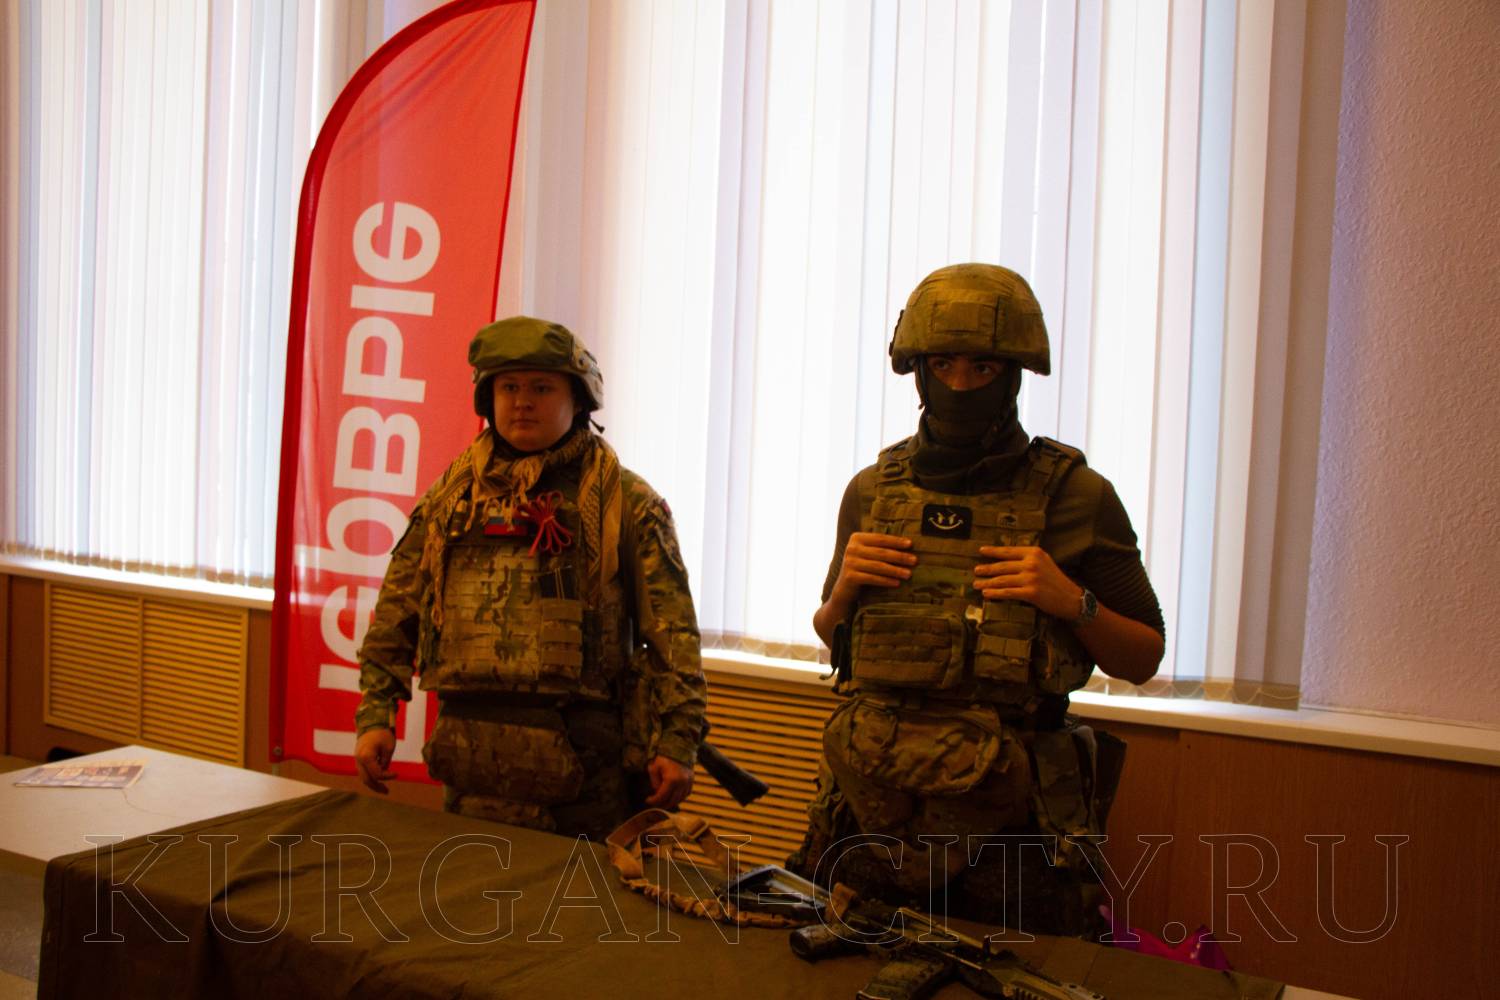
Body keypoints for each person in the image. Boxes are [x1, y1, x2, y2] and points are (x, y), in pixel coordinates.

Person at [789, 263, 1165, 936]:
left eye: (983, 367)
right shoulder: (873, 490)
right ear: (918, 370)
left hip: (1012, 833)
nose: (960, 385)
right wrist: (843, 592)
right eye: (944, 364)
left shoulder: (1079, 496)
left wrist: (1070, 601)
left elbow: (1143, 657)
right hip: (874, 810)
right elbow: (833, 634)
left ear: (1014, 373)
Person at [352, 317, 707, 841]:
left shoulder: (625, 504)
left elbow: (673, 638)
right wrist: (376, 713)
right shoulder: (450, 500)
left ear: (578, 399)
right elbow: (396, 613)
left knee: (577, 893)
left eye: (542, 388)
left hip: (586, 774)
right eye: (509, 388)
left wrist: (678, 741)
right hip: (470, 762)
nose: (522, 402)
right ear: (488, 398)